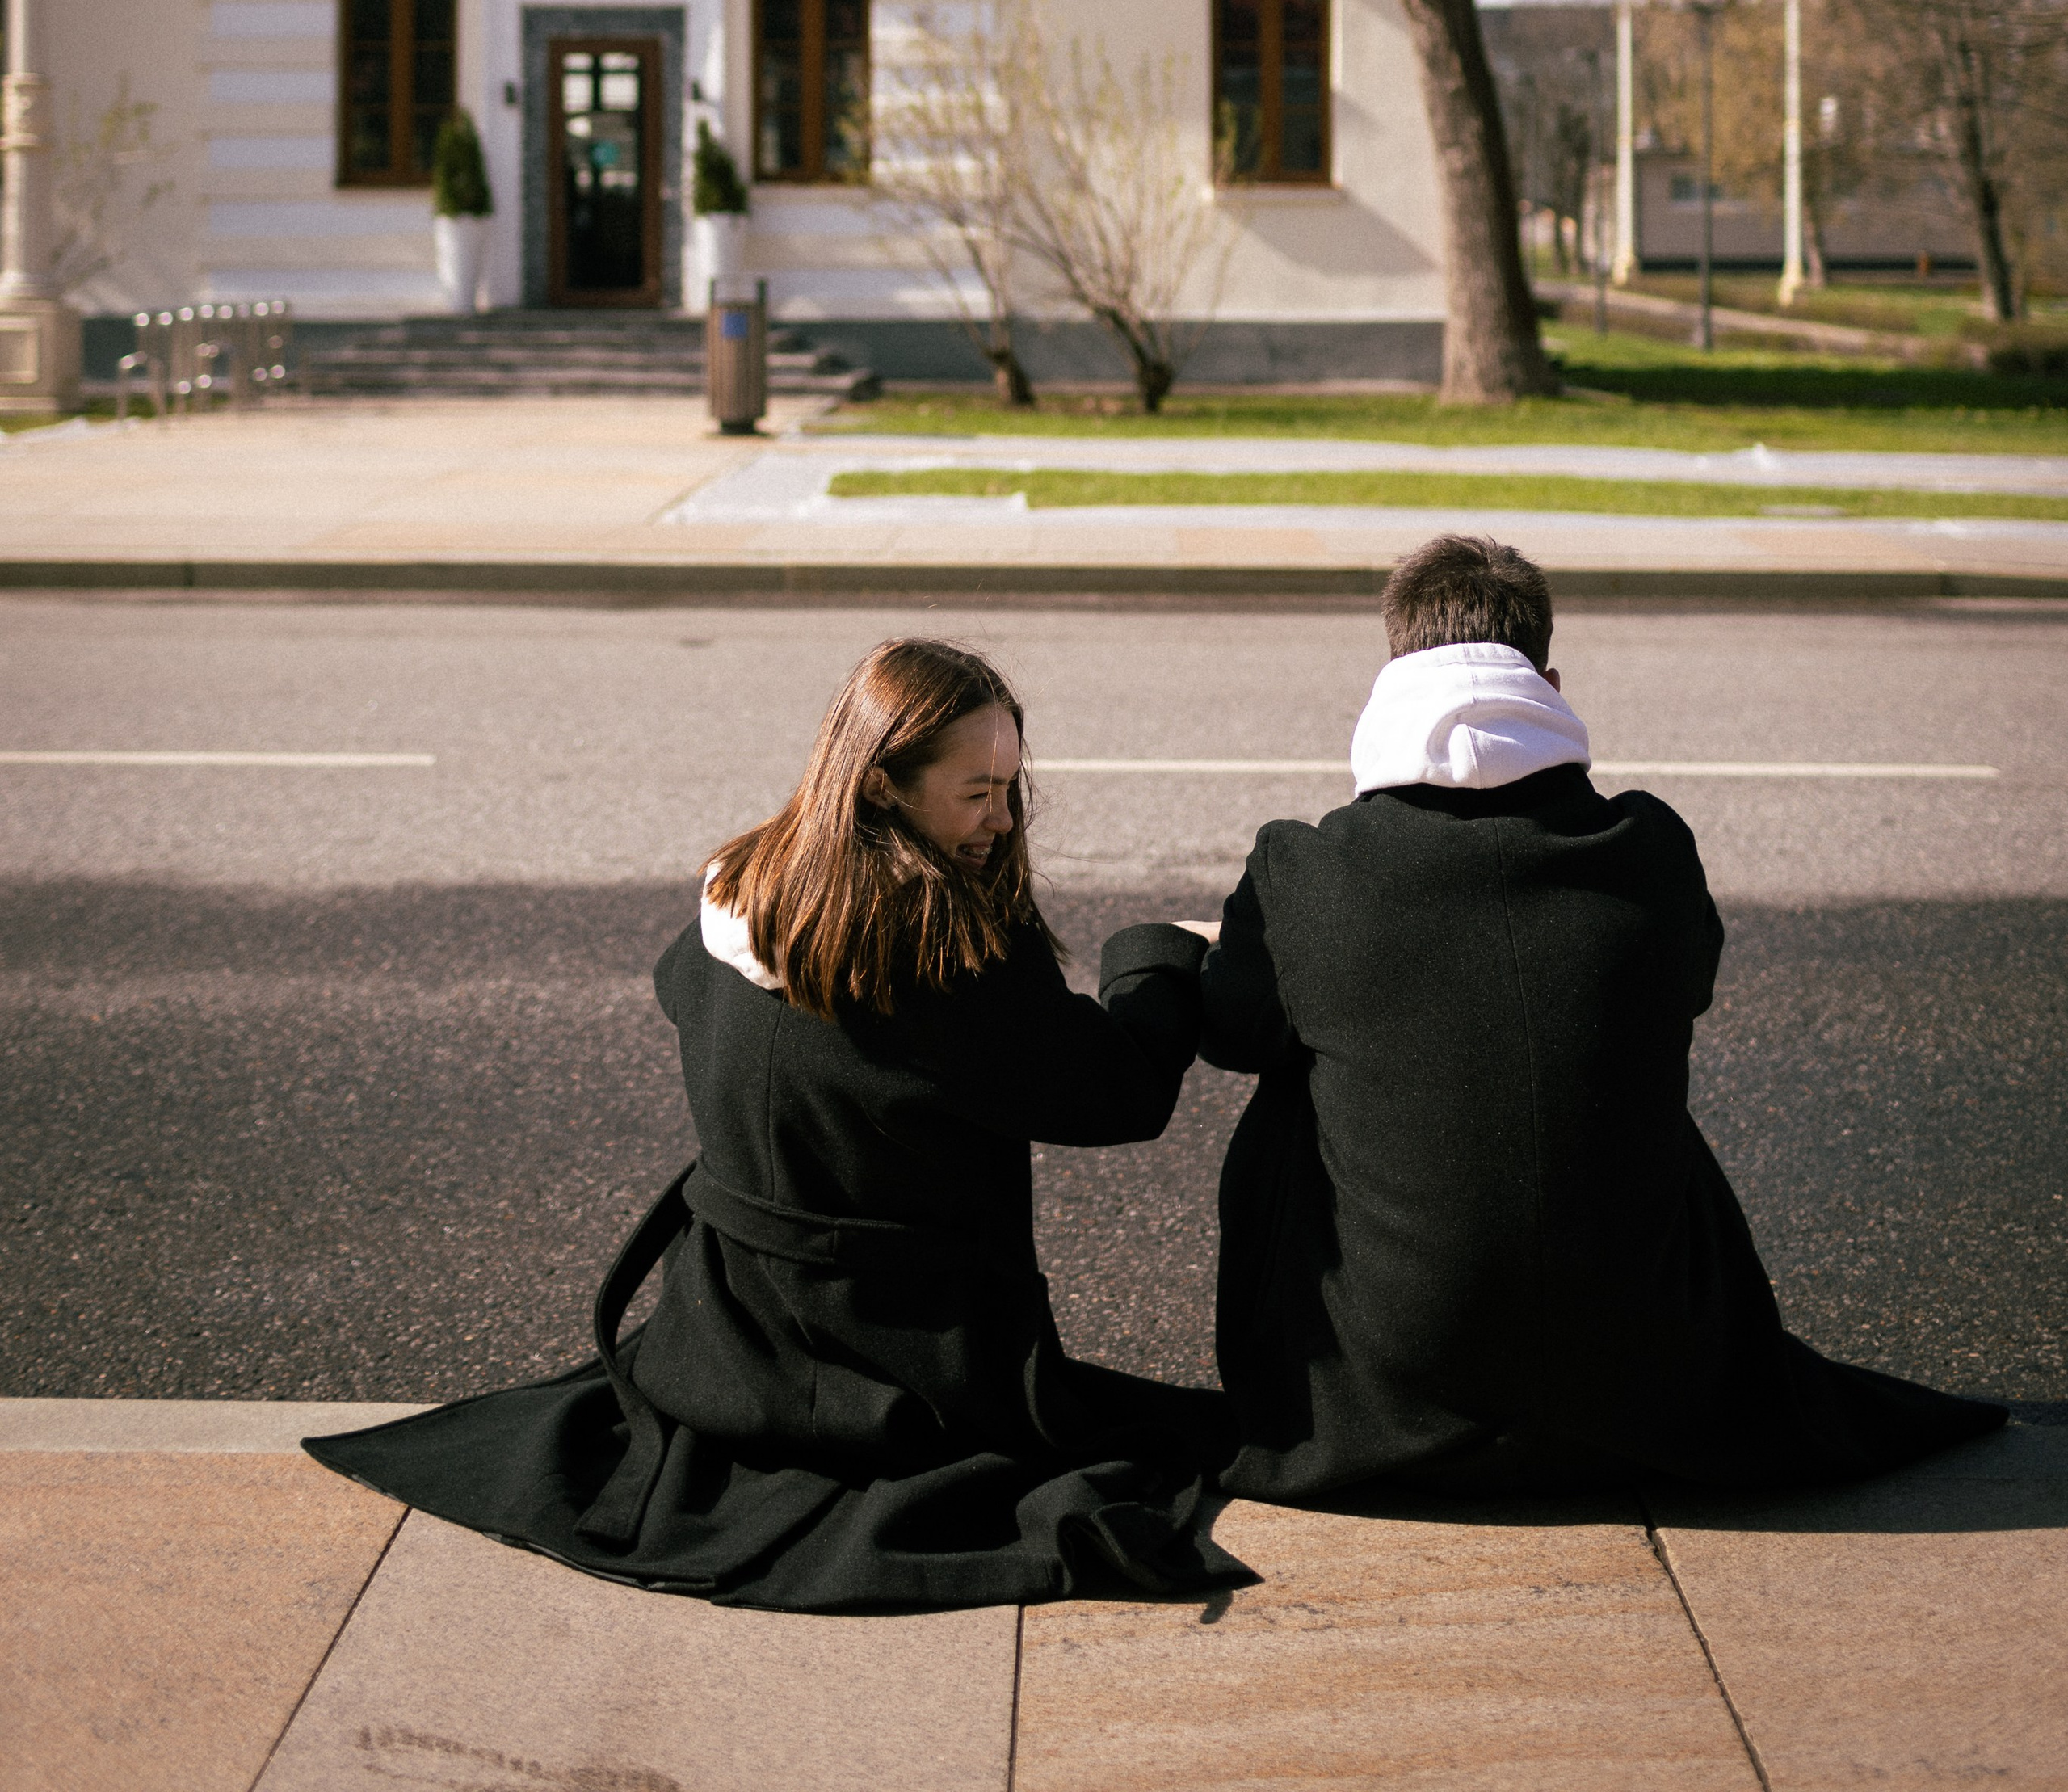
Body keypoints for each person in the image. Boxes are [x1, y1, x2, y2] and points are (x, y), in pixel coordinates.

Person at [309, 637, 1249, 1612]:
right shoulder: (945, 947)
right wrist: (1155, 956)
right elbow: (1119, 1098)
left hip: (723, 1332)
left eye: (1010, 786)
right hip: (902, 1364)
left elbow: (676, 988)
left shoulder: (746, 885)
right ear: (881, 785)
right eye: (975, 793)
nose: (1002, 820)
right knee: (1197, 1439)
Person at [1200, 532, 2007, 1505]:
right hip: (1652, 1375)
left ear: (1391, 672)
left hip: (1382, 1387)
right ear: (1547, 678)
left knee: (1300, 1064)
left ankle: (1342, 1377)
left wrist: (1183, 954)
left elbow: (1230, 1031)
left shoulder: (1303, 867)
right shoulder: (1648, 845)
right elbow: (1684, 987)